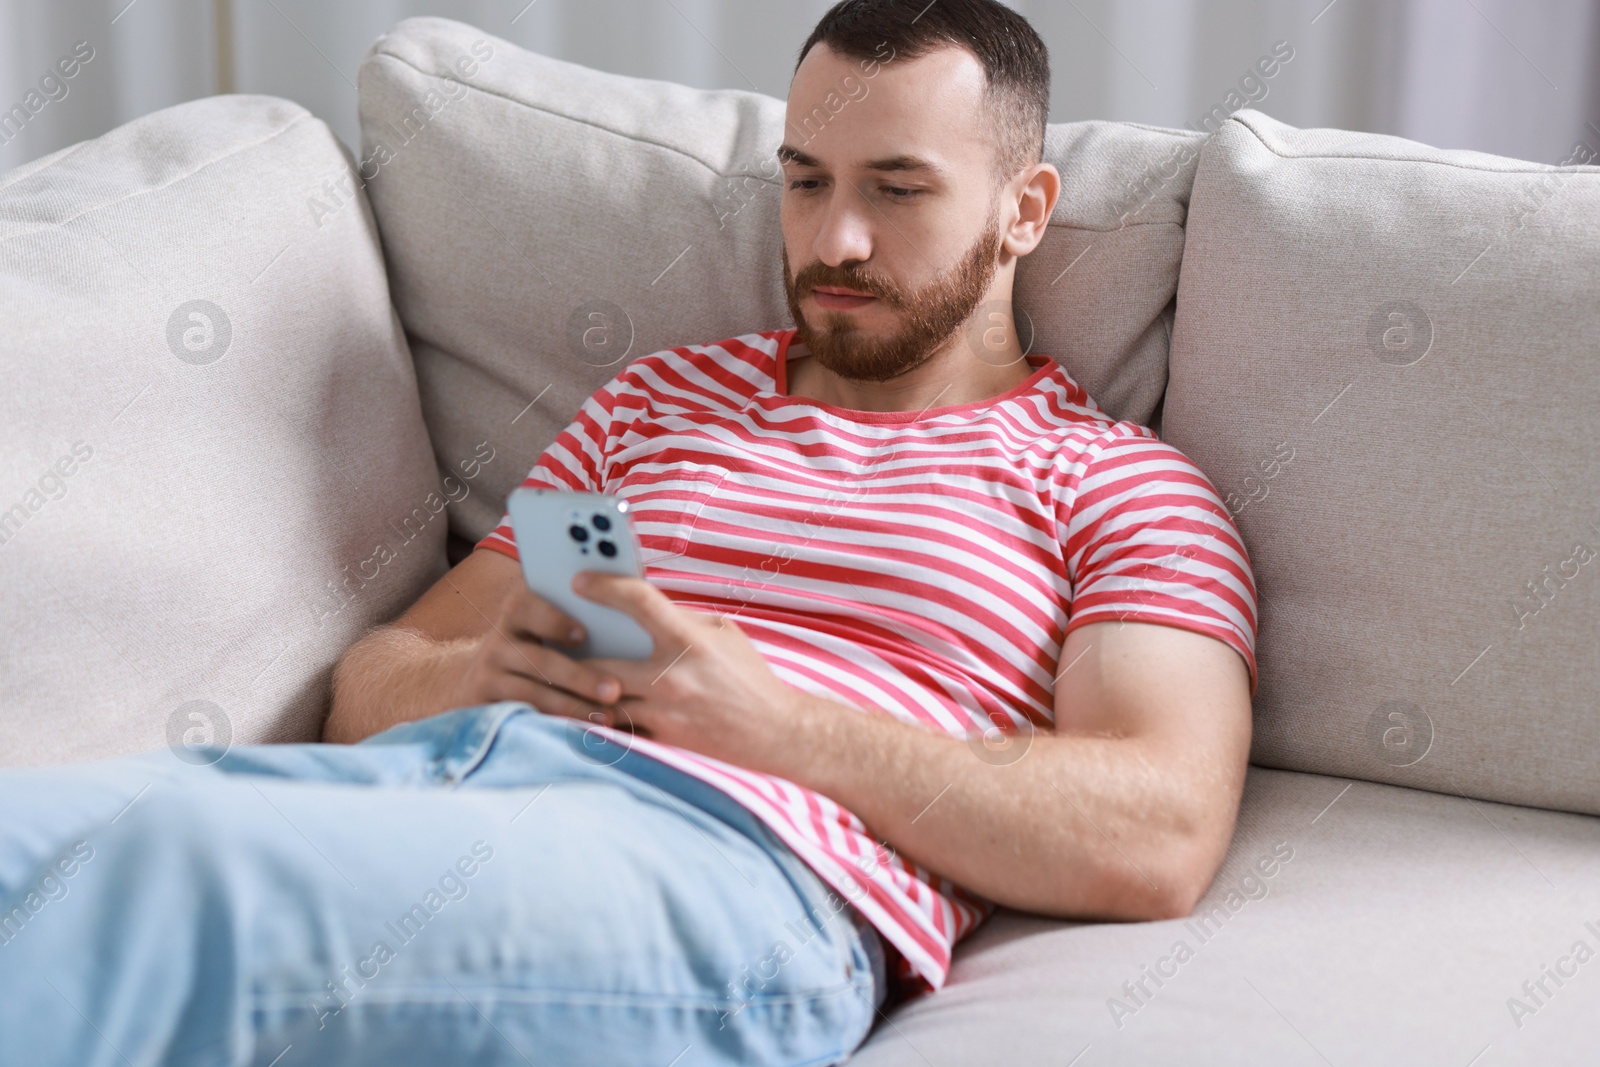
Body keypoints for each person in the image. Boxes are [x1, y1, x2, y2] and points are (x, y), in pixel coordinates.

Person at [0, 1, 1257, 1063]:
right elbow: (372, 681)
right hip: (426, 786)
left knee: (149, 906)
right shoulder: (659, 403)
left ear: (1024, 208)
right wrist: (476, 675)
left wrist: (784, 729)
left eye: (897, 189)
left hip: (728, 867)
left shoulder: (1113, 481)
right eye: (807, 183)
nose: (835, 241)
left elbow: (1160, 828)